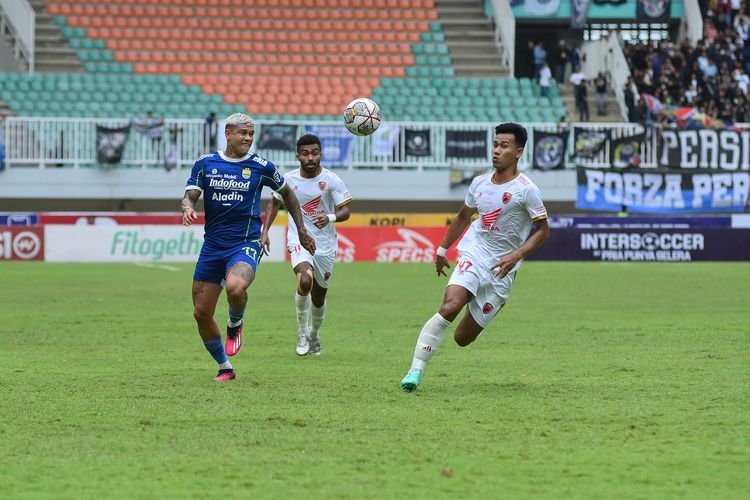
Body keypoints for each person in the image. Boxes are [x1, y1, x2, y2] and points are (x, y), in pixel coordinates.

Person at [399, 123, 550, 392]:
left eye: (504, 146)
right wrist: (442, 250)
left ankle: (486, 300)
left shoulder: (526, 189)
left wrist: (516, 256)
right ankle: (415, 370)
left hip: (502, 270)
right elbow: (462, 217)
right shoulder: (479, 182)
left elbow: (543, 231)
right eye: (495, 144)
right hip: (474, 252)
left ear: (518, 152)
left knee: (462, 338)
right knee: (450, 307)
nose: (496, 150)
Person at [181, 113, 316, 381]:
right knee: (201, 312)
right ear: (228, 133)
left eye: (251, 134)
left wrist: (301, 229)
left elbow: (287, 192)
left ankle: (235, 322)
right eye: (242, 133)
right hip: (213, 246)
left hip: (246, 243)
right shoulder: (206, 163)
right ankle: (225, 367)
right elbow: (191, 194)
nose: (248, 138)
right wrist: (187, 206)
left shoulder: (262, 166)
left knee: (235, 287)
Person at [261, 134, 352, 357]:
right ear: (298, 155)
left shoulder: (332, 180)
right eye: (305, 153)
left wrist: (329, 217)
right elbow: (273, 204)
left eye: (314, 153)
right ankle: (302, 332)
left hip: (325, 246)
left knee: (319, 297)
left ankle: (314, 334)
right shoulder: (288, 179)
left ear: (320, 154)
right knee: (304, 281)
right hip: (298, 240)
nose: (310, 157)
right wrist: (265, 232)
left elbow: (345, 211)